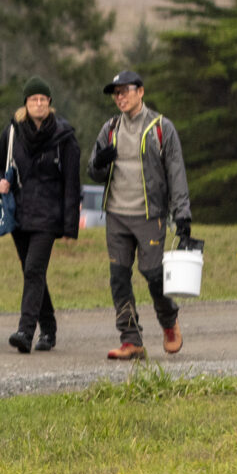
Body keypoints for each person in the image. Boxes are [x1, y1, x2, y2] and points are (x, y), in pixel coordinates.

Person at [89, 69, 194, 362]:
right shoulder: (110, 128)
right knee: (118, 277)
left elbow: (176, 172)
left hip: (150, 215)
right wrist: (99, 162)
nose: (120, 97)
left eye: (126, 91)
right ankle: (130, 339)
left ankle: (169, 320)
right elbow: (92, 171)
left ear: (141, 92)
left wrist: (182, 215)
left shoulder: (161, 127)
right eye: (116, 93)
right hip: (116, 215)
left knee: (153, 273)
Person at [0, 77, 78, 354]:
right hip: (19, 213)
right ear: (25, 104)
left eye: (43, 99)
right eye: (33, 99)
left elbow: (72, 185)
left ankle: (25, 332)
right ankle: (49, 329)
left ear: (49, 103)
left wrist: (69, 227)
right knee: (33, 273)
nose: (38, 103)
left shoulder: (65, 137)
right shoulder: (12, 132)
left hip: (48, 216)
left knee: (33, 270)